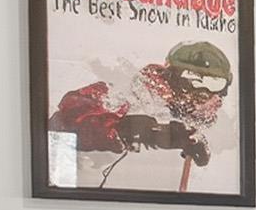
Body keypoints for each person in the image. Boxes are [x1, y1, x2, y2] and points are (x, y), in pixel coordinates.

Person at [48, 39, 234, 190]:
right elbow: (64, 122)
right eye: (197, 81)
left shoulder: (212, 133)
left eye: (216, 84)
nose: (208, 94)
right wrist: (125, 130)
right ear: (173, 76)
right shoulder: (124, 97)